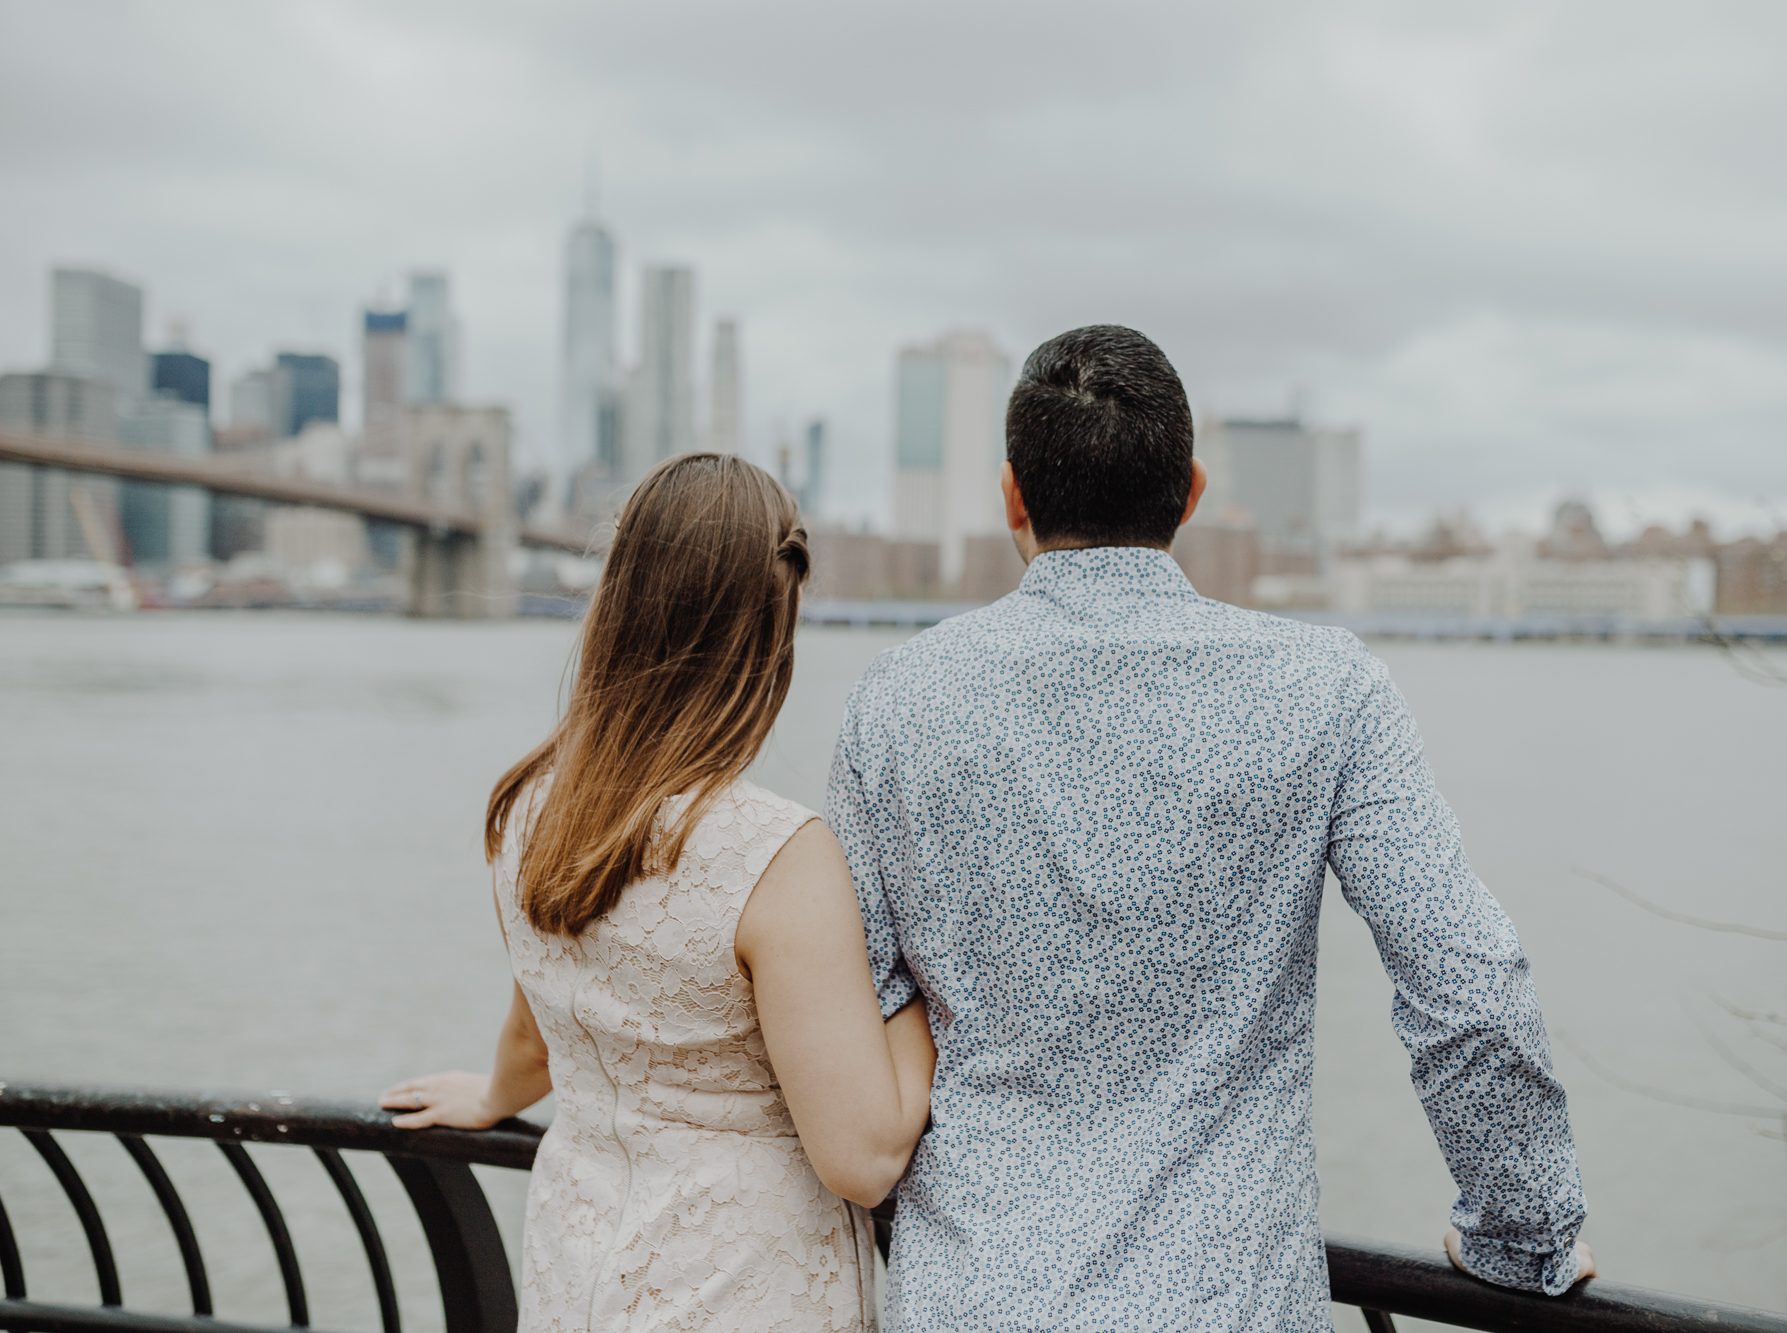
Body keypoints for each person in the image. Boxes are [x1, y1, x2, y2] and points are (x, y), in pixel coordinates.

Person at [826, 326, 1593, 1331]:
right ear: (1187, 494)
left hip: (970, 1298)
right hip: (1227, 1303)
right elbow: (1466, 984)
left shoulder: (894, 702)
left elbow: (860, 1011)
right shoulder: (1328, 690)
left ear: (1010, 495)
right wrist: (1521, 1236)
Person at [381, 454, 936, 1333]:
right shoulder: (778, 855)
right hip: (746, 1295)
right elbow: (864, 1156)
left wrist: (493, 1095)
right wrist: (915, 984)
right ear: (769, 636)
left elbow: (538, 1032)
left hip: (580, 1274)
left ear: (619, 600)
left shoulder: (527, 808)